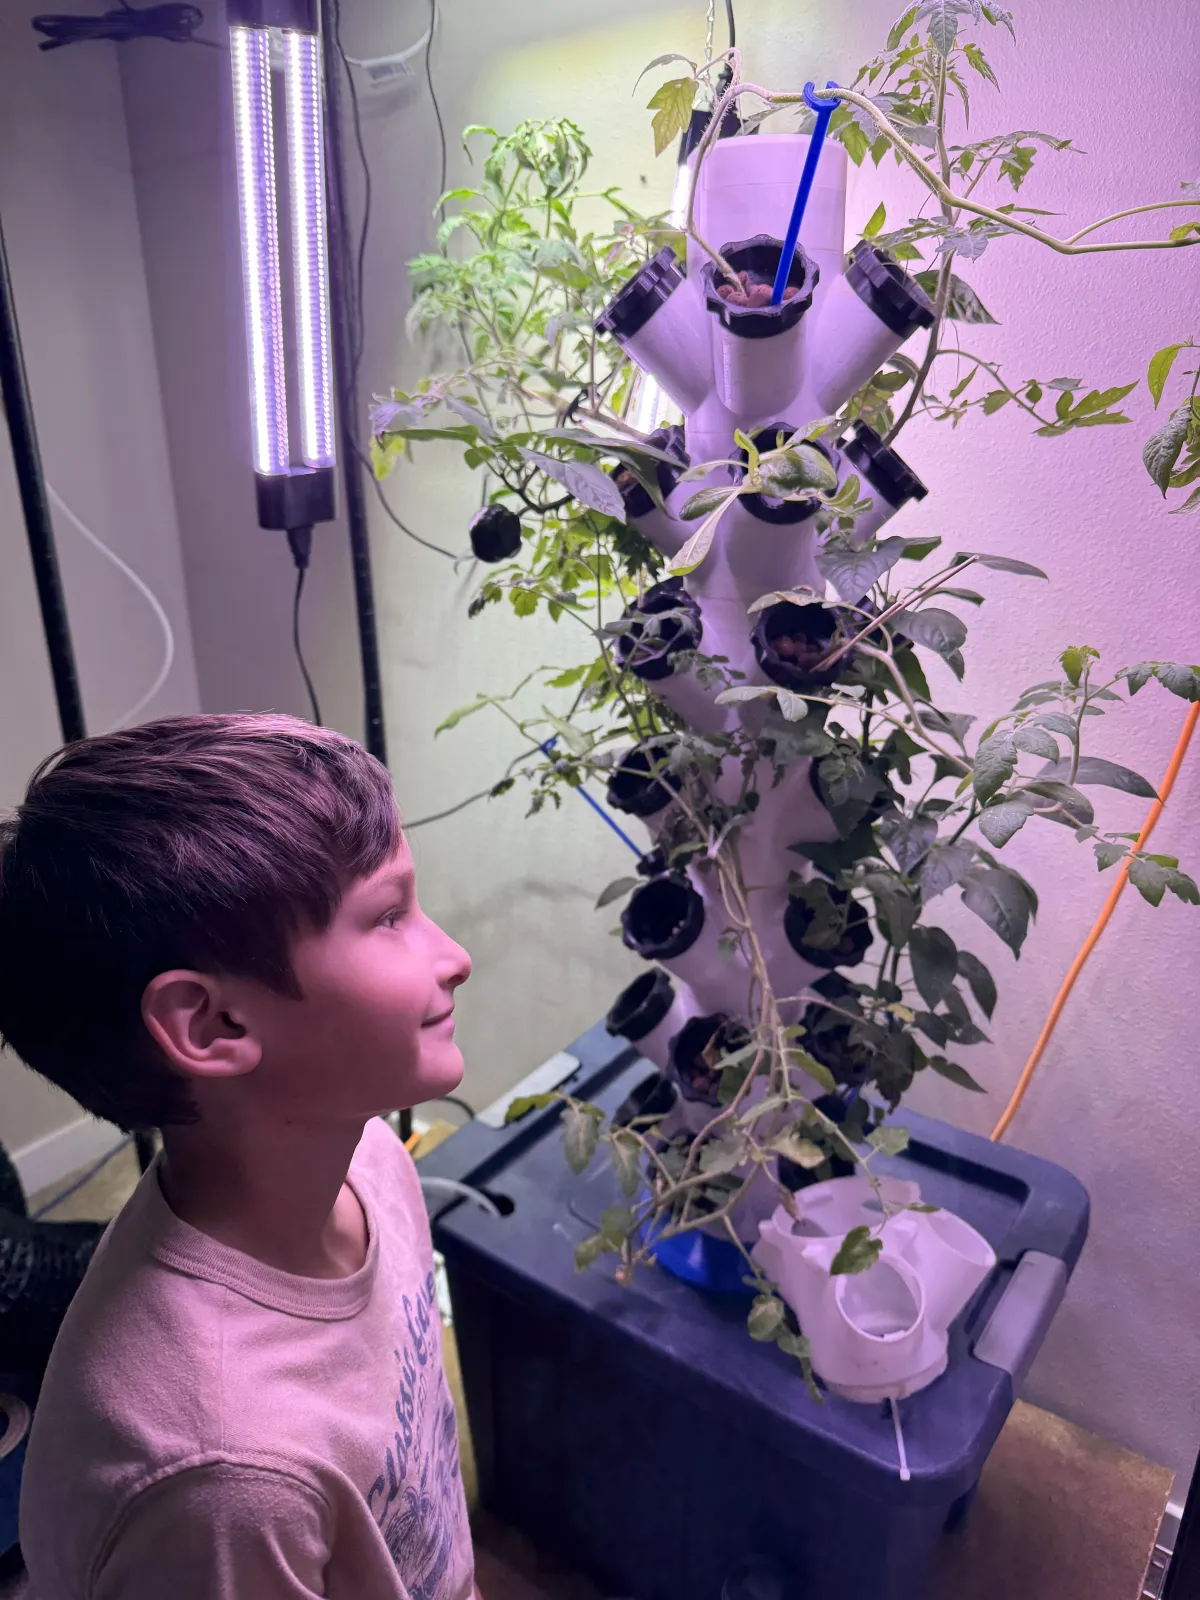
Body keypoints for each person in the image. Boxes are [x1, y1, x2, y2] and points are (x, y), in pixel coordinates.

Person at [0, 714, 477, 1599]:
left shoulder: (371, 1156)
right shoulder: (220, 1477)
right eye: (389, 917)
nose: (456, 957)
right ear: (213, 1025)